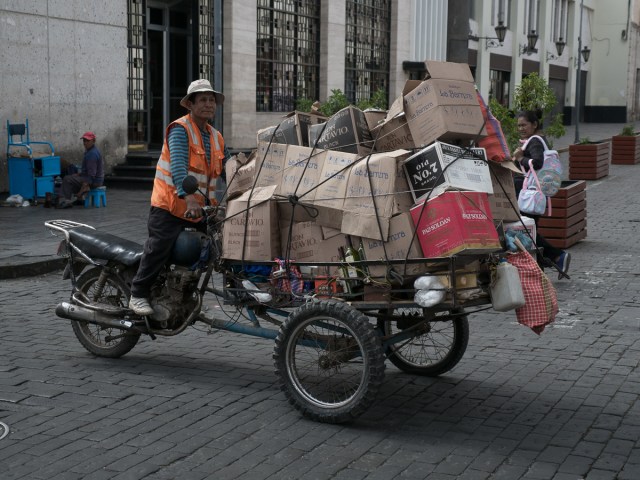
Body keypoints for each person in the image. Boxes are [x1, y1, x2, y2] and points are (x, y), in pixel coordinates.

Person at [128, 79, 226, 316]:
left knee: (221, 246)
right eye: (202, 100)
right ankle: (137, 293)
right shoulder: (180, 130)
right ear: (190, 104)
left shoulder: (216, 137)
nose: (208, 104)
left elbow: (229, 168)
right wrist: (189, 197)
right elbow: (179, 168)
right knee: (159, 247)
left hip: (200, 211)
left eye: (211, 100)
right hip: (170, 207)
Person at [512, 109, 571, 279]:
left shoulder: (535, 141)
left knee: (526, 230)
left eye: (524, 125)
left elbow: (537, 162)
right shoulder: (536, 140)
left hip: (530, 195)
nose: (521, 129)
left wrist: (520, 158)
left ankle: (557, 256)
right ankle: (545, 262)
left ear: (534, 124)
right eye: (518, 126)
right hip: (533, 194)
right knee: (530, 229)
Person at [57, 132, 104, 208]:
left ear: (93, 141)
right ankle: (80, 199)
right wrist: (79, 174)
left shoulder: (92, 154)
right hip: (95, 179)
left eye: (87, 141)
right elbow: (88, 170)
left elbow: (91, 174)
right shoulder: (91, 151)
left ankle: (66, 201)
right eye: (84, 141)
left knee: (67, 179)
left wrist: (85, 185)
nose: (85, 143)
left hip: (93, 181)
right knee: (73, 175)